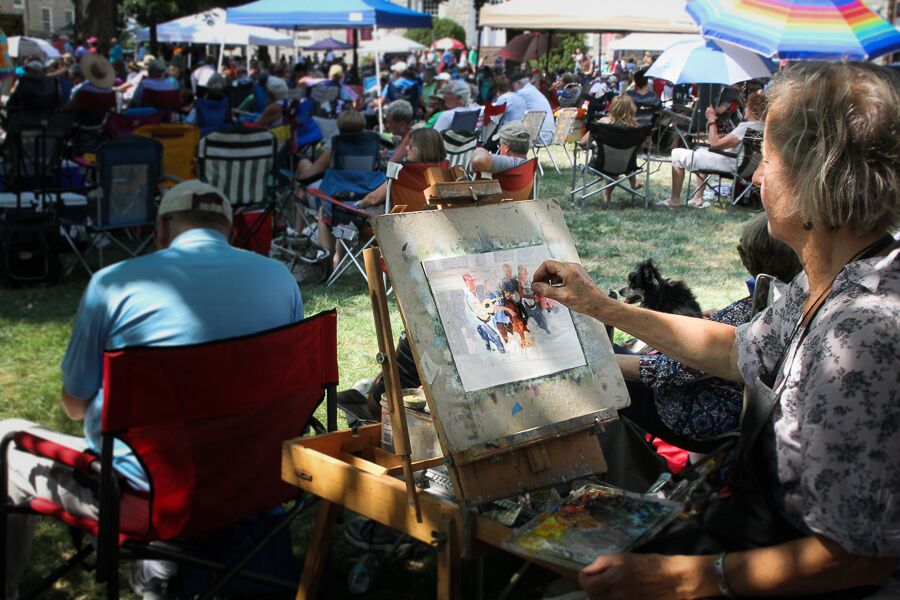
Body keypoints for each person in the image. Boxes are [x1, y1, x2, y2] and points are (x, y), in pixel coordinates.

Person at [531, 61, 900, 599]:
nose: (756, 176)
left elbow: (855, 558)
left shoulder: (862, 334)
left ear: (815, 179)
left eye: (767, 159)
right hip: (752, 535)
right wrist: (598, 306)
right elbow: (735, 350)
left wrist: (680, 580)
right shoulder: (833, 277)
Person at [1, 180, 304, 600]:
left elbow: (74, 405)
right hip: (252, 481)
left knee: (6, 437)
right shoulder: (280, 279)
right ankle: (167, 562)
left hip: (148, 497)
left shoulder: (113, 284)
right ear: (232, 231)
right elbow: (288, 386)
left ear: (161, 228)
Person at [617, 212, 802, 450]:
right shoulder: (787, 299)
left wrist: (609, 363)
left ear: (749, 257)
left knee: (602, 383)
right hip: (725, 409)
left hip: (695, 418)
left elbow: (675, 368)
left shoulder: (753, 314)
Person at [658, 91, 766, 209]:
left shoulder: (746, 127)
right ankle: (698, 198)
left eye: (746, 106)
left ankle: (675, 199)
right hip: (746, 168)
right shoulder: (763, 128)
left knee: (677, 153)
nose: (744, 109)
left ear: (751, 109)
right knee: (701, 152)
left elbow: (715, 144)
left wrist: (711, 120)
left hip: (731, 165)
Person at [580, 95, 645, 203]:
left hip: (602, 164)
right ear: (631, 109)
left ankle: (607, 196)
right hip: (627, 165)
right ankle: (631, 184)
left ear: (613, 107)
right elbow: (641, 147)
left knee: (613, 159)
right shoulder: (636, 127)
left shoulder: (602, 123)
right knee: (621, 158)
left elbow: (583, 143)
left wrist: (594, 147)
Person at [510, 70, 554, 145]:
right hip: (548, 135)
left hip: (538, 137)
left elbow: (515, 113)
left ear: (518, 83)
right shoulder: (533, 90)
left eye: (512, 86)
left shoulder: (522, 93)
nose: (513, 89)